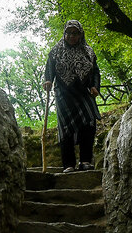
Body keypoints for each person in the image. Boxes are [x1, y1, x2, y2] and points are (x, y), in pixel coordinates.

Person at [43, 20, 101, 173]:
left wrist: (95, 86)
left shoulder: (88, 51)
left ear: (80, 35)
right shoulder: (56, 51)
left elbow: (95, 71)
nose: (71, 36)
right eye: (68, 33)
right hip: (63, 94)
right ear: (64, 34)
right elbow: (49, 68)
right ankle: (68, 164)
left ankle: (85, 161)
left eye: (75, 33)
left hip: (84, 93)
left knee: (88, 123)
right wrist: (48, 80)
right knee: (66, 128)